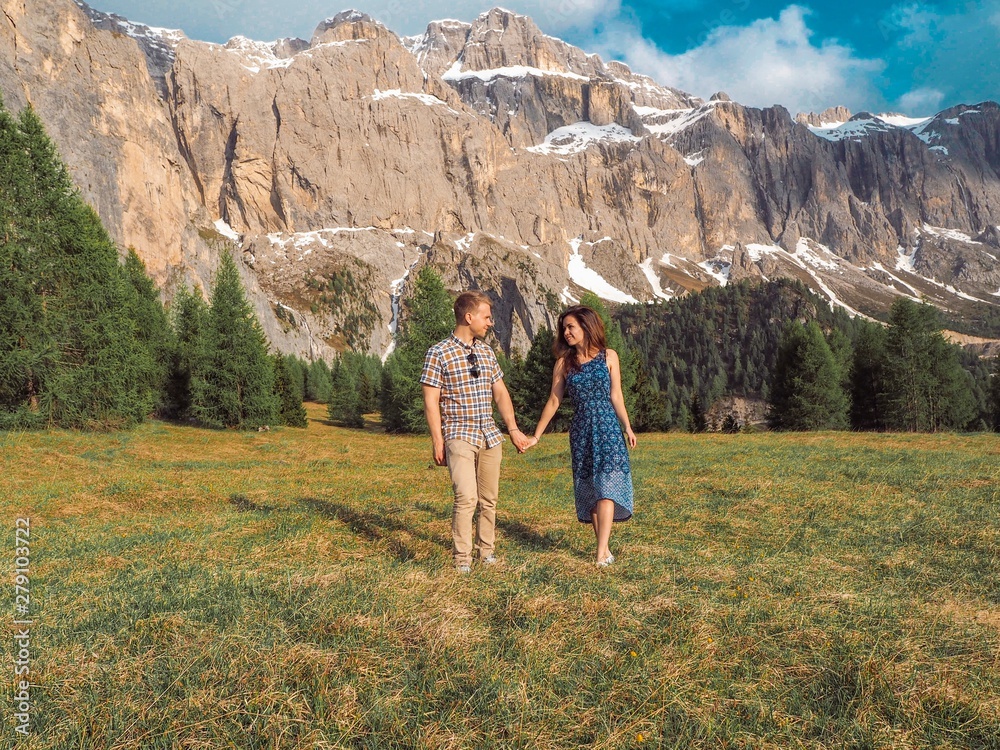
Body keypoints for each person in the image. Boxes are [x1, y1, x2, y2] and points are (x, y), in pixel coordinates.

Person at [421, 290, 532, 573]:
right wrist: (438, 441)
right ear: (468, 317)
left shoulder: (485, 351)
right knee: (466, 497)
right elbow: (431, 402)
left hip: (490, 436)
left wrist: (514, 429)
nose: (490, 322)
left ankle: (487, 552)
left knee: (489, 500)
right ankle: (462, 559)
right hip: (459, 435)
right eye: (486, 317)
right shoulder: (438, 353)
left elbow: (501, 394)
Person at [529, 305, 636, 566]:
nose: (565, 332)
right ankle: (605, 549)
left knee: (607, 487)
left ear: (586, 327)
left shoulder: (609, 356)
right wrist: (536, 436)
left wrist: (627, 427)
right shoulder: (563, 363)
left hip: (608, 427)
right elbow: (554, 401)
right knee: (590, 489)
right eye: (563, 328)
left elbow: (616, 395)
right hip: (581, 429)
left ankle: (600, 554)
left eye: (570, 327)